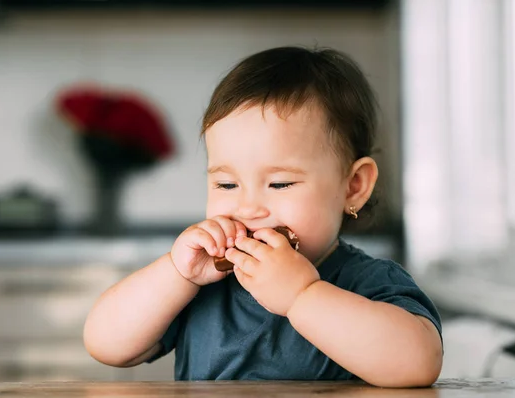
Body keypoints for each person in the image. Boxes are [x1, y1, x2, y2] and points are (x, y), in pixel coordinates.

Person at [83, 46, 443, 387]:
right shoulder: (201, 286)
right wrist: (176, 273)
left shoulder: (367, 282)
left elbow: (418, 362)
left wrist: (302, 295)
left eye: (280, 183)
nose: (248, 208)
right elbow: (105, 344)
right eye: (226, 184)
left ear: (353, 187)